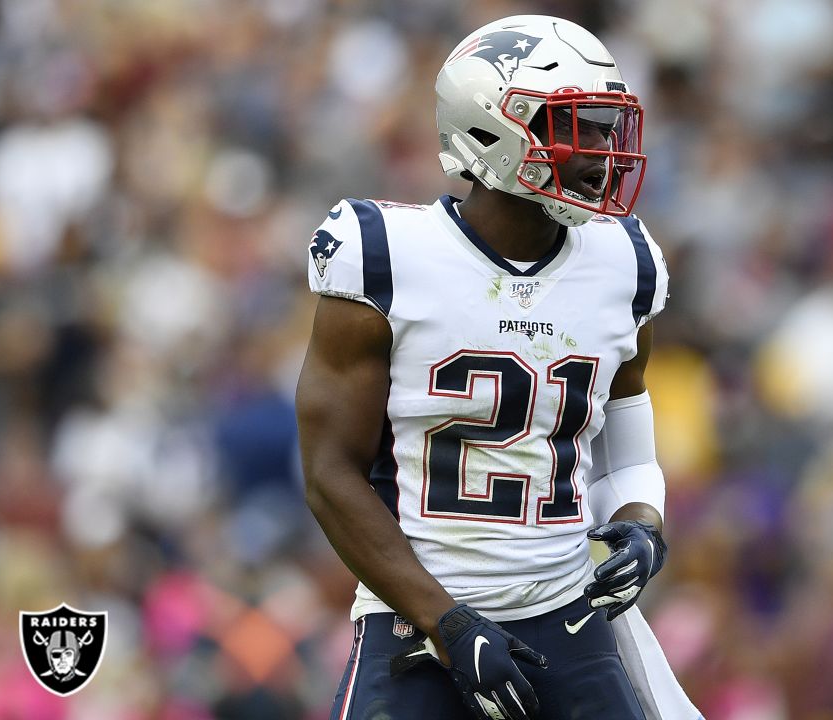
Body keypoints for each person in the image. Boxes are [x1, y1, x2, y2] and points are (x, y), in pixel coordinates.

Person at [296, 15, 700, 720]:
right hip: (417, 619)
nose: (601, 150)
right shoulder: (385, 256)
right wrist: (447, 622)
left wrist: (641, 523)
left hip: (566, 615)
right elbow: (330, 474)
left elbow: (626, 448)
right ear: (492, 131)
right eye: (574, 126)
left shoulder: (624, 263)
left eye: (605, 127)